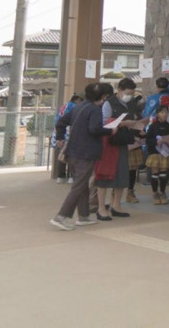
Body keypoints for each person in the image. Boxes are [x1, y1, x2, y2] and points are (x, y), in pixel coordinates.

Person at [50, 84, 111, 230]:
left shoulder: (78, 107)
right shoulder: (95, 110)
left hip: (73, 151)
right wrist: (110, 130)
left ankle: (83, 216)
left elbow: (61, 122)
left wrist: (59, 137)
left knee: (81, 184)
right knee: (78, 186)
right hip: (86, 153)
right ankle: (61, 216)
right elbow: (94, 129)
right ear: (103, 96)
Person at [93, 79, 142, 220]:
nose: (129, 96)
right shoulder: (109, 103)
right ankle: (101, 208)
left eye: (132, 94)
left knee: (122, 173)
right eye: (127, 93)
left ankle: (116, 205)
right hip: (108, 144)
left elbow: (135, 118)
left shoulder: (132, 104)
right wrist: (122, 123)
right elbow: (104, 123)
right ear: (119, 90)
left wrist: (136, 125)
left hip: (124, 141)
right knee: (104, 175)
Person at [144, 105, 169, 204]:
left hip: (165, 153)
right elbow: (147, 140)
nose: (165, 114)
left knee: (163, 173)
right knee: (155, 173)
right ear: (157, 114)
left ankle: (162, 192)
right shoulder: (153, 126)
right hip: (154, 152)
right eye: (162, 112)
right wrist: (156, 142)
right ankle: (155, 193)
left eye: (166, 112)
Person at [52, 93, 82, 184]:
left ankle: (60, 176)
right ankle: (71, 176)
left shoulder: (64, 106)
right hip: (68, 132)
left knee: (62, 154)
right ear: (77, 100)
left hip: (58, 132)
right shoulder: (74, 107)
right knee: (71, 155)